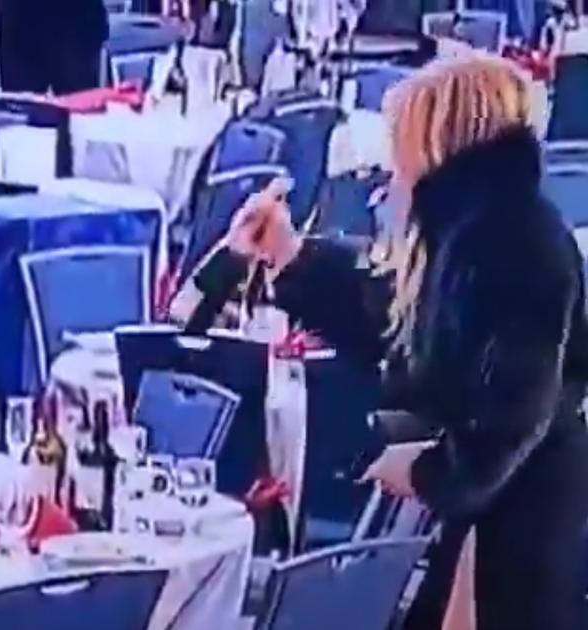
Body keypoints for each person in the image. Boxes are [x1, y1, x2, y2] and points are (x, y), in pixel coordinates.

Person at [179, 54, 588, 629]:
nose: (393, 171)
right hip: (495, 509)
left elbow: (514, 411)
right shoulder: (474, 232)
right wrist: (292, 259)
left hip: (521, 522)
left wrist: (429, 472)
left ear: (441, 141)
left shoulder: (517, 243)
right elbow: (398, 320)